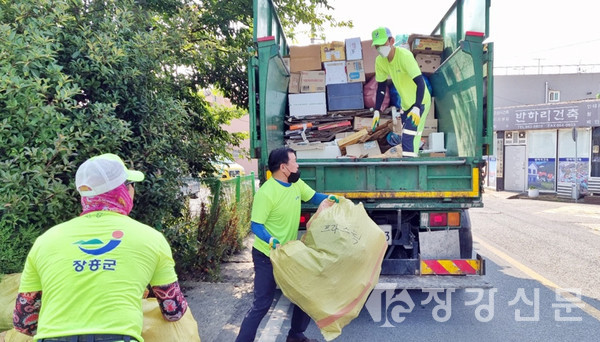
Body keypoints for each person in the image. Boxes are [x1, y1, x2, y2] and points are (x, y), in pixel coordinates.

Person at [13, 153, 188, 342]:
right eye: (131, 185)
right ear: (125, 191)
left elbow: (24, 322)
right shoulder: (152, 239)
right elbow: (173, 311)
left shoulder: (45, 241)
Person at [236, 147, 336, 342]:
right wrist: (270, 239)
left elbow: (313, 197)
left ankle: (296, 336)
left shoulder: (296, 184)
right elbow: (256, 225)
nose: (298, 165)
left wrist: (331, 198)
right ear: (284, 167)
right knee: (262, 304)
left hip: (289, 254)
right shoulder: (267, 192)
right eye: (295, 161)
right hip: (267, 255)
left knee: (305, 294)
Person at [371, 26, 432, 157]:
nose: (379, 48)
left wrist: (417, 107)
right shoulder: (380, 61)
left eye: (382, 44)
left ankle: (409, 170)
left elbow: (420, 82)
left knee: (409, 138)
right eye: (377, 46)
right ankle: (413, 165)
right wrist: (377, 110)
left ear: (391, 41)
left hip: (420, 101)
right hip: (405, 104)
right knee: (408, 139)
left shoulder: (405, 56)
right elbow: (381, 87)